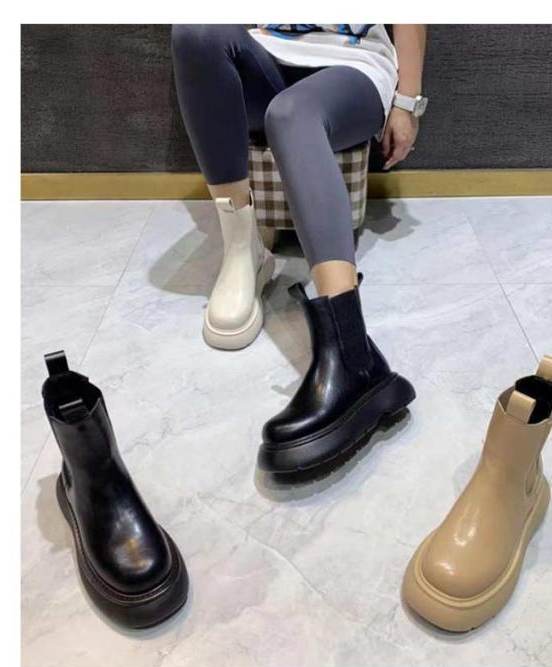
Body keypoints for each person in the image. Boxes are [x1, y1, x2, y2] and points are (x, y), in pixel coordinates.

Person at [172, 24, 427, 473]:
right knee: (195, 30)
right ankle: (243, 249)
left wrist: (406, 104)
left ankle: (353, 356)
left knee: (291, 114)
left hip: (353, 65)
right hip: (264, 52)